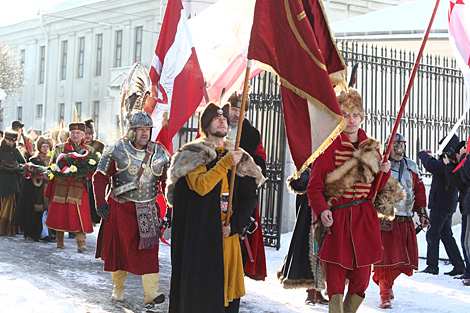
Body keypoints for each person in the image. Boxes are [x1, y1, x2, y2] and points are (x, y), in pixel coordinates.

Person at [166, 102, 265, 313]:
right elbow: (202, 186)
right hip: (201, 237)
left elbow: (249, 196)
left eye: (225, 119)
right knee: (204, 295)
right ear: (205, 125)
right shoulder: (192, 153)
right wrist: (225, 163)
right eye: (216, 118)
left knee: (227, 295)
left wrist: (236, 225)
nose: (222, 121)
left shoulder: (237, 154)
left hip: (227, 234)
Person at [306, 88, 392, 313]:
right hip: (338, 218)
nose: (351, 120)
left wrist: (385, 172)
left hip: (364, 219)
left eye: (355, 115)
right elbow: (314, 188)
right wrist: (322, 210)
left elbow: (375, 190)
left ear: (361, 117)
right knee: (335, 280)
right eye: (345, 114)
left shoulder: (372, 148)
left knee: (362, 279)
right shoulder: (327, 148)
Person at [92, 110, 170, 312]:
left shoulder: (160, 153)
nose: (145, 133)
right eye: (141, 129)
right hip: (120, 207)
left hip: (147, 208)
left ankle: (151, 294)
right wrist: (100, 202)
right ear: (132, 130)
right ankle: (118, 288)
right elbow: (99, 177)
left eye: (148, 129)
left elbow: (170, 183)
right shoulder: (116, 149)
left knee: (149, 253)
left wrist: (170, 209)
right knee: (119, 250)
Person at [372, 133, 428, 309]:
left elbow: (418, 191)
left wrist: (423, 213)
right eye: (395, 144)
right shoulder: (379, 166)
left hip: (405, 218)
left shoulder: (411, 166)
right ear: (388, 146)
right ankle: (384, 293)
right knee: (385, 260)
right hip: (385, 219)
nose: (399, 148)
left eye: (402, 144)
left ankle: (387, 286)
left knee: (400, 259)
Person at [226, 91, 267, 281]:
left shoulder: (252, 134)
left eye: (240, 110)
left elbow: (261, 164)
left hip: (242, 193)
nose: (236, 114)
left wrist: (243, 161)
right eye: (233, 109)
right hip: (219, 188)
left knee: (241, 239)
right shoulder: (217, 127)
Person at [277, 167, 328, 306]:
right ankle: (311, 293)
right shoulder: (306, 163)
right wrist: (315, 182)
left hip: (326, 211)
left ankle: (318, 291)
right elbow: (299, 182)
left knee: (324, 253)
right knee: (308, 252)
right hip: (308, 216)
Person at [418, 135, 465, 276]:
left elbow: (431, 165)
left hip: (440, 204)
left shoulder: (447, 163)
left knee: (433, 234)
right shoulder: (452, 162)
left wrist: (422, 154)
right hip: (446, 204)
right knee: (446, 235)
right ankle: (458, 265)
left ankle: (432, 266)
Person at [45, 122, 95, 252]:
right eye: (73, 133)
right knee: (60, 214)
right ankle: (60, 241)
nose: (75, 135)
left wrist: (86, 173)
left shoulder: (89, 151)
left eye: (78, 133)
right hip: (61, 184)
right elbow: (52, 166)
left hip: (78, 185)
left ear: (83, 135)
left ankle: (81, 242)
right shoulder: (60, 148)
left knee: (80, 216)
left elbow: (92, 170)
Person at [14, 136, 53, 241]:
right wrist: (40, 177)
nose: (45, 148)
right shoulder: (34, 160)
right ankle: (35, 233)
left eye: (47, 146)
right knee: (37, 212)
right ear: (39, 147)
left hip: (50, 189)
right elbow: (31, 175)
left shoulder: (53, 160)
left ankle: (47, 233)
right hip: (38, 191)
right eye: (43, 146)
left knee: (48, 212)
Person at [444, 141, 470, 281]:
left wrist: (464, 156)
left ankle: (468, 272)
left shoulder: (466, 162)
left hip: (468, 207)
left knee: (467, 242)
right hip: (466, 207)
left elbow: (455, 179)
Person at [0, 130, 26, 235]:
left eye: (13, 140)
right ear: (4, 139)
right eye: (9, 140)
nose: (11, 142)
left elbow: (22, 164)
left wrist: (15, 167)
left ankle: (5, 228)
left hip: (12, 183)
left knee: (9, 206)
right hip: (1, 181)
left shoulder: (16, 151)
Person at [83, 118, 104, 225]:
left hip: (93, 176)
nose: (88, 136)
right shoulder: (79, 145)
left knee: (92, 198)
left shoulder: (99, 145)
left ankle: (92, 220)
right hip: (81, 176)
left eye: (90, 133)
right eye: (86, 133)